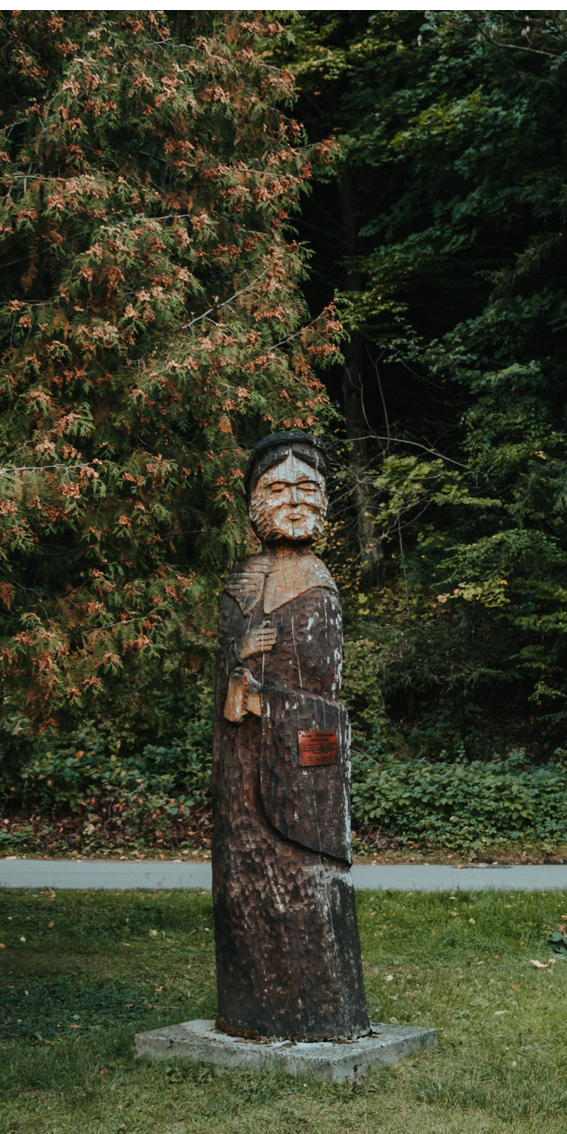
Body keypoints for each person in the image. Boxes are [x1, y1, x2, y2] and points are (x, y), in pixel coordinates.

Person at [210, 432, 369, 1041]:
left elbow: (324, 684)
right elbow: (220, 673)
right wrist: (236, 665)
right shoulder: (241, 580)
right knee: (249, 879)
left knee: (308, 878)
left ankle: (319, 1010)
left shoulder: (319, 581)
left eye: (309, 489)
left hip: (301, 769)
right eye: (279, 489)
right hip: (241, 771)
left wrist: (267, 702)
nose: (296, 502)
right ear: (254, 501)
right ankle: (253, 1007)